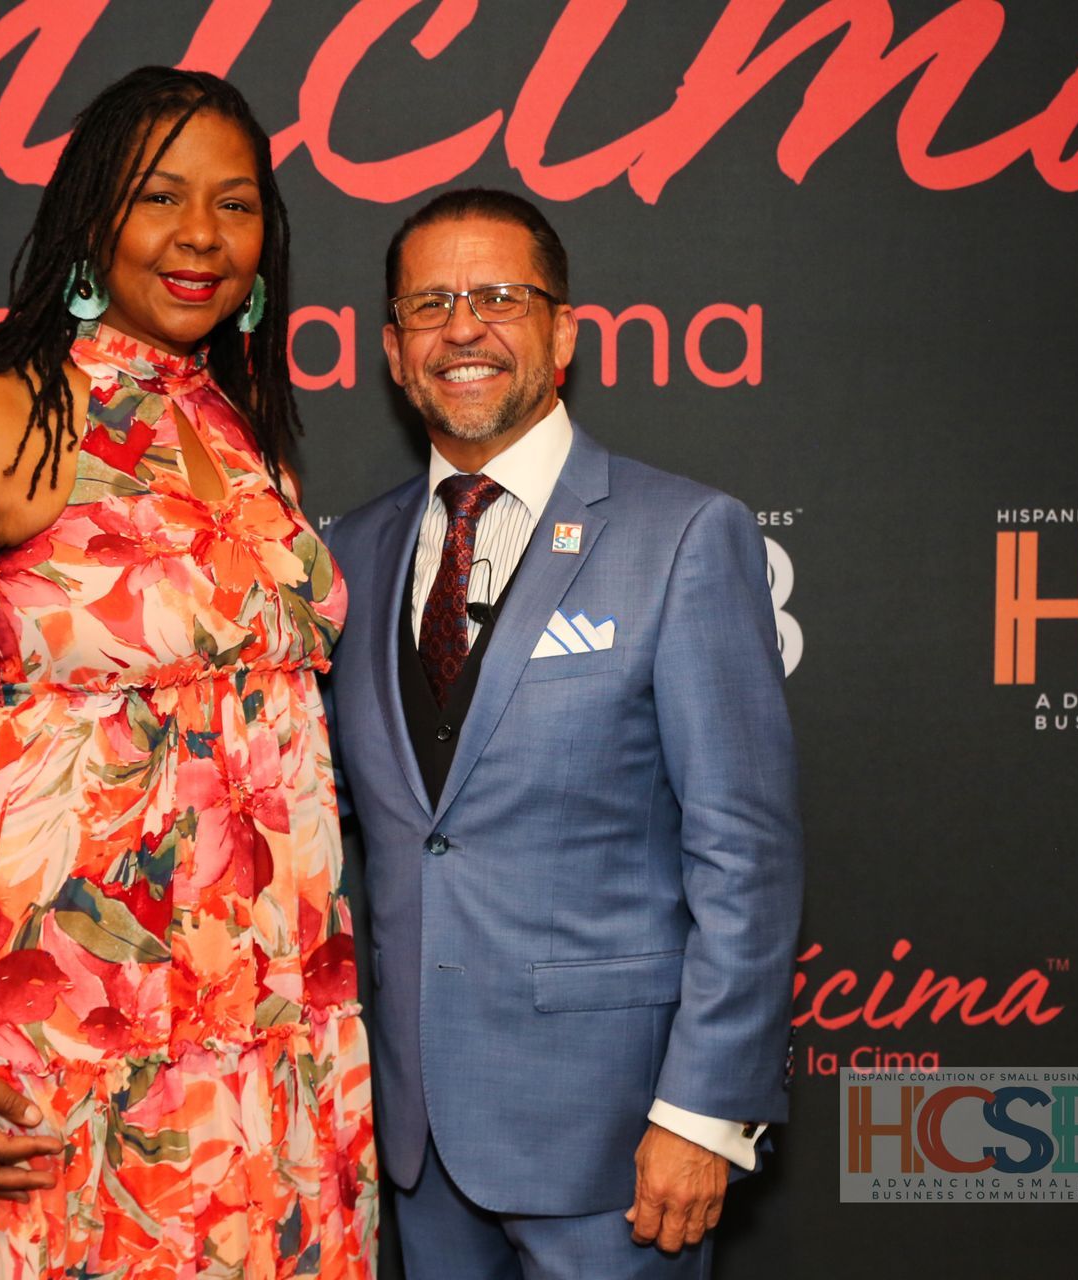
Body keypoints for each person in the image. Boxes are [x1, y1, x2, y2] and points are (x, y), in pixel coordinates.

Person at [0, 67, 375, 1279]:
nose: (201, 235)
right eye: (159, 196)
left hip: (261, 1006)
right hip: (66, 1003)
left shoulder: (241, 428)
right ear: (92, 216)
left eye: (236, 205)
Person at [325, 188, 801, 1279]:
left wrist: (705, 1109)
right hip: (418, 1141)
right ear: (395, 352)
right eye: (430, 304)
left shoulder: (681, 535)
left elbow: (747, 850)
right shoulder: (347, 554)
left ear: (565, 332)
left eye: (499, 295)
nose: (464, 327)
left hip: (621, 1145)